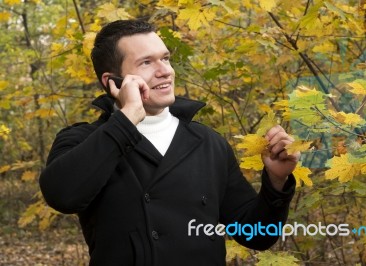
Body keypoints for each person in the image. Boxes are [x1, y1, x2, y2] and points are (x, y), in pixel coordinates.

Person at [39, 19, 299, 265]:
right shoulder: (83, 141)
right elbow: (62, 196)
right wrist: (127, 118)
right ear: (112, 82)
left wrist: (276, 183)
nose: (165, 71)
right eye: (146, 63)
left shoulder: (208, 143)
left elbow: (257, 235)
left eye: (165, 58)